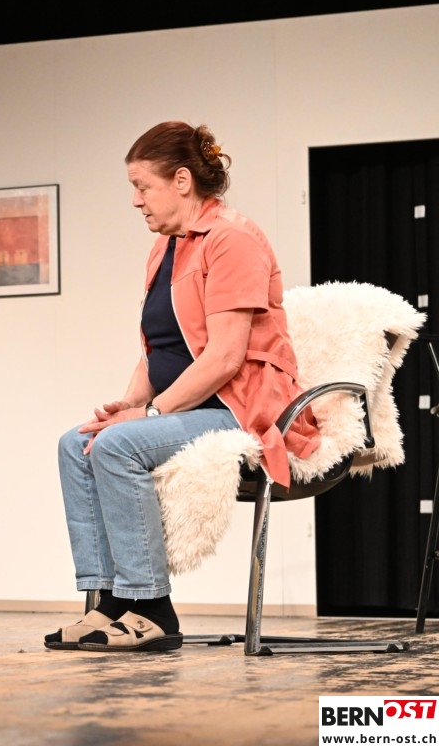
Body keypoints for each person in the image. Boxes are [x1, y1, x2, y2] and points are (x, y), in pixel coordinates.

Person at [45, 122, 320, 653]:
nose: (135, 200)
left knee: (118, 446)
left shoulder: (232, 239)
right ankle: (110, 602)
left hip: (241, 408)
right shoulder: (166, 248)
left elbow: (225, 357)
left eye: (142, 187)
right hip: (188, 408)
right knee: (77, 443)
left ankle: (151, 607)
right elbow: (160, 349)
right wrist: (127, 403)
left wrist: (148, 415)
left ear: (181, 180)